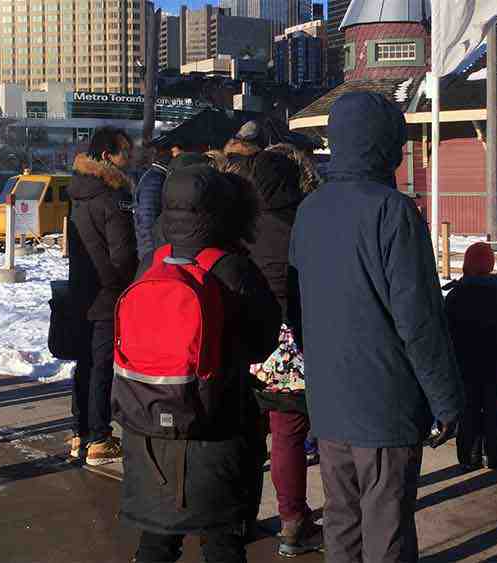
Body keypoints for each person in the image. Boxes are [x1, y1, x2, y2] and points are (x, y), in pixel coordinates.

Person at [290, 92, 464, 563]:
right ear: (387, 145)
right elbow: (419, 320)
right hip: (384, 404)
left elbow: (297, 306)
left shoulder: (309, 211)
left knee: (341, 521)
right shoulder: (393, 212)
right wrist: (446, 400)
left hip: (329, 398)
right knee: (386, 526)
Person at [119, 165, 281, 563]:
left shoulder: (150, 264)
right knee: (222, 542)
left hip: (147, 423)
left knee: (156, 538)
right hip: (216, 423)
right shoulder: (234, 269)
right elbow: (263, 341)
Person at [244, 149, 323, 557]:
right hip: (290, 342)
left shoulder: (242, 224)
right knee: (288, 434)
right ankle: (293, 520)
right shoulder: (303, 222)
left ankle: (240, 516)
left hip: (246, 342)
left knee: (249, 435)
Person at [66, 126, 137, 465]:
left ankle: (80, 432)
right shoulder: (112, 195)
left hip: (80, 290)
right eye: (126, 152)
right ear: (108, 156)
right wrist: (125, 284)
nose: (131, 159)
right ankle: (99, 437)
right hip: (108, 295)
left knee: (85, 363)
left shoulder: (76, 191)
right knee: (101, 366)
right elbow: (122, 254)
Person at [444, 242, 497, 472]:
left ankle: (469, 456)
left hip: (464, 366)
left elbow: (445, 332)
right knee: (495, 409)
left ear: (466, 266)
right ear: (491, 265)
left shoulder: (454, 296)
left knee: (468, 410)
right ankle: (494, 455)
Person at [134, 139, 185, 260]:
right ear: (175, 151)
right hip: (155, 257)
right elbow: (147, 225)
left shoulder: (160, 177)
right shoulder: (155, 180)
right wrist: (151, 260)